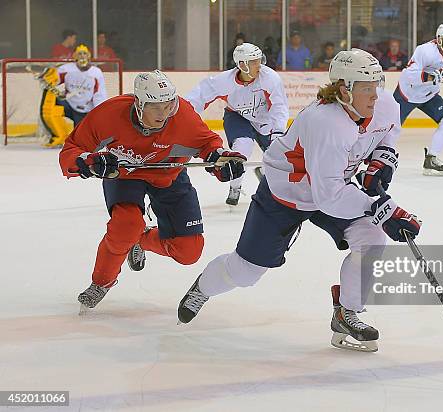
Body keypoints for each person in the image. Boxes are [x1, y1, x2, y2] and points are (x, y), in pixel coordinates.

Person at [177, 49, 421, 353]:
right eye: (366, 88)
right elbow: (329, 197)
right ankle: (203, 287)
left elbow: (387, 135)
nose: (375, 95)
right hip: (285, 196)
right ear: (344, 89)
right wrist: (380, 208)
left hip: (332, 187)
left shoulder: (383, 104)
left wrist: (383, 158)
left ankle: (347, 312)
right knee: (245, 272)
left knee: (371, 238)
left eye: (378, 85)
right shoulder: (326, 122)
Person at [58, 70, 246, 311]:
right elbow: (71, 150)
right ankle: (102, 282)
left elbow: (208, 145)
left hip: (169, 175)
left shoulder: (182, 115)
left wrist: (220, 161)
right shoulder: (109, 113)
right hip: (125, 176)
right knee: (125, 227)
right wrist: (88, 161)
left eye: (169, 105)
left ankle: (141, 240)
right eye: (156, 107)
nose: (164, 114)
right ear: (138, 104)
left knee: (189, 251)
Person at [186, 43, 289, 206]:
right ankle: (235, 186)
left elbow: (279, 106)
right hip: (237, 116)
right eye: (254, 62)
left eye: (259, 60)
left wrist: (277, 132)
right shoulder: (224, 81)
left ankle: (263, 170)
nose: (259, 65)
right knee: (241, 150)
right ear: (242, 65)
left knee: (279, 156)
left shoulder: (270, 78)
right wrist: (181, 118)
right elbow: (197, 98)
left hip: (265, 120)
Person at [394, 24, 443, 176]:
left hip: (429, 95)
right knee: (390, 128)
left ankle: (431, 158)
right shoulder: (424, 50)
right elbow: (410, 74)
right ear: (439, 39)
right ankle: (372, 157)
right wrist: (430, 76)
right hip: (408, 93)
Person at [38, 45, 108, 148]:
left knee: (80, 139)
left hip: (85, 110)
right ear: (74, 56)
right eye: (79, 53)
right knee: (50, 104)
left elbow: (99, 95)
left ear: (89, 56)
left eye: (84, 53)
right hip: (69, 105)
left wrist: (98, 113)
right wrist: (48, 76)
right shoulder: (66, 69)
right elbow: (53, 80)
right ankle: (59, 136)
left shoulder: (96, 73)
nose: (82, 56)